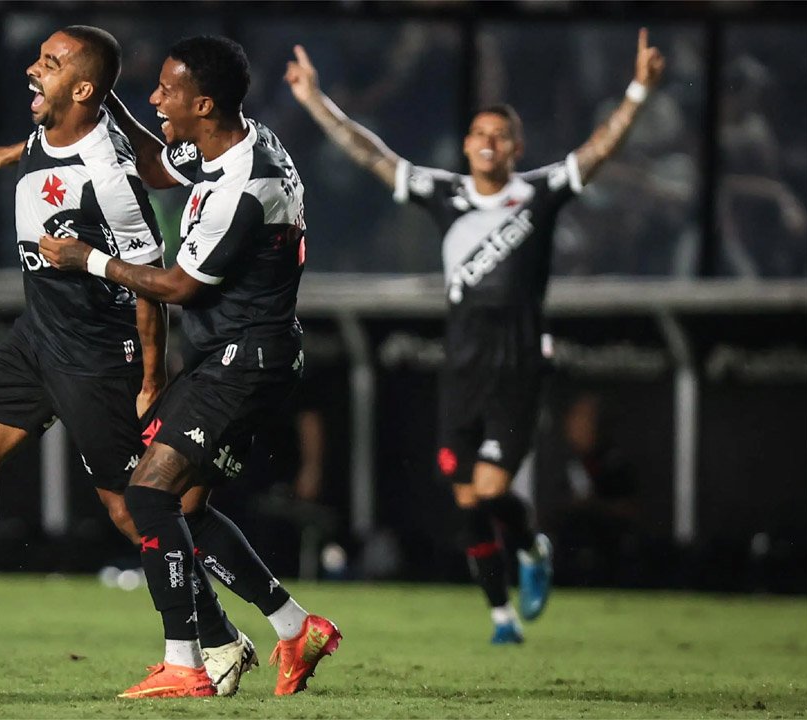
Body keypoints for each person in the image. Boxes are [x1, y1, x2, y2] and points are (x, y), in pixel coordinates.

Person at [0, 27, 251, 691]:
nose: (30, 69)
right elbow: (51, 149)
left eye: (48, 64)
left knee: (136, 510)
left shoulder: (109, 176)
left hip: (96, 352)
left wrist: (151, 378)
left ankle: (219, 638)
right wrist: (3, 154)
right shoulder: (58, 126)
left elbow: (148, 277)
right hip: (36, 333)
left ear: (82, 88)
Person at [284, 29, 665, 643]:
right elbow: (372, 154)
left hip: (517, 365)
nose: (487, 143)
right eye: (479, 134)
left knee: (490, 490)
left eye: (499, 136)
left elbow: (598, 151)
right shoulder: (446, 195)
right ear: (466, 145)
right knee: (467, 500)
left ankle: (533, 550)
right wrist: (314, 102)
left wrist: (639, 89)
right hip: (462, 366)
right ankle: (501, 617)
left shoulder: (537, 194)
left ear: (516, 146)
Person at [40, 35, 342, 698]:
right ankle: (296, 628)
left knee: (148, 495)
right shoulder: (231, 139)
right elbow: (155, 161)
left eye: (166, 91)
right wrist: (105, 90)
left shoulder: (246, 187)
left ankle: (185, 663)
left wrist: (86, 259)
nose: (156, 99)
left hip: (245, 361)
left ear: (203, 104)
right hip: (232, 356)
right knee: (184, 509)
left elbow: (178, 287)